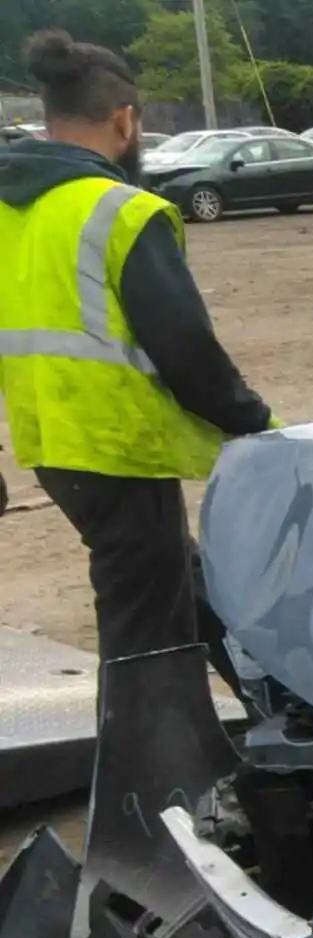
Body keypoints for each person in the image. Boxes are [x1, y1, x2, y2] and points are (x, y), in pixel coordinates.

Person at [0, 29, 272, 689]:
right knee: (146, 630)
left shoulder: (10, 210)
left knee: (179, 579)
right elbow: (186, 351)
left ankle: (279, 701)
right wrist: (257, 426)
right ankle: (149, 783)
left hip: (54, 450)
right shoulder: (124, 210)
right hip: (119, 445)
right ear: (125, 120)